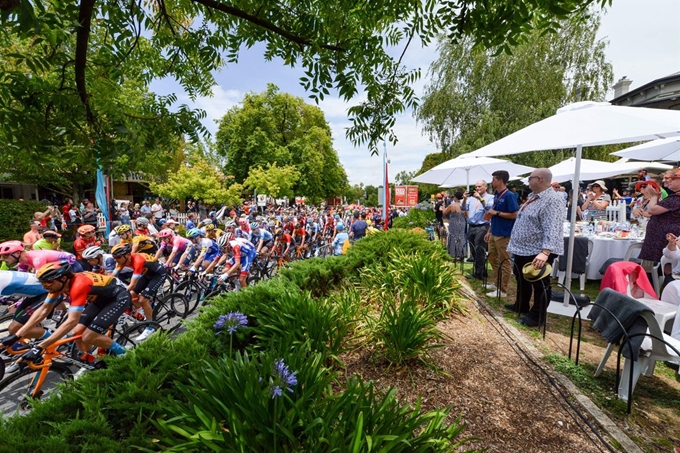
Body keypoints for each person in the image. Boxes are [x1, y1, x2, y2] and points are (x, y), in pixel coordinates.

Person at [1, 262, 130, 361]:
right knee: (77, 333)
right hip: (100, 300)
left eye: (48, 282)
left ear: (63, 279)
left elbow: (72, 321)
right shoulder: (57, 285)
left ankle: (124, 353)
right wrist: (17, 335)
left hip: (118, 297)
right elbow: (43, 310)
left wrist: (41, 346)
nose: (45, 286)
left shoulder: (78, 285)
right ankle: (89, 360)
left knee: (89, 336)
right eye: (42, 283)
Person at [506, 168, 564, 328]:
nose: (528, 181)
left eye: (530, 178)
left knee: (540, 285)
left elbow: (553, 226)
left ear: (539, 179)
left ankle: (537, 317)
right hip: (523, 248)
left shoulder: (552, 199)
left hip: (538, 250)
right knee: (522, 278)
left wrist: (545, 252)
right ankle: (521, 305)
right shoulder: (533, 197)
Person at [484, 171, 519, 298]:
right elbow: (492, 215)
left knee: (504, 261)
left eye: (493, 180)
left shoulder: (509, 195)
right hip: (494, 232)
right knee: (492, 257)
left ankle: (503, 290)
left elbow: (515, 214)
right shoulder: (497, 195)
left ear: (500, 180)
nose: (492, 182)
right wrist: (489, 231)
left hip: (504, 234)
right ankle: (496, 283)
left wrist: (497, 213)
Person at [639, 169, 680, 263]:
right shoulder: (675, 197)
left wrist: (653, 196)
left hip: (664, 239)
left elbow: (652, 210)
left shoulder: (676, 199)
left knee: (662, 267)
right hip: (662, 238)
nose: (668, 181)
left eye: (673, 178)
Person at [463, 180, 494, 281]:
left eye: (480, 186)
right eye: (476, 187)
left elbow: (488, 208)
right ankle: (482, 269)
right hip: (471, 226)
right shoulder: (471, 199)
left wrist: (480, 198)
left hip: (482, 226)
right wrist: (464, 198)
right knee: (473, 250)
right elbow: (463, 207)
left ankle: (478, 273)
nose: (477, 188)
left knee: (480, 249)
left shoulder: (490, 197)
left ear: (485, 187)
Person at [443, 190, 466, 261]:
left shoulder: (452, 205)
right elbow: (467, 215)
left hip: (454, 222)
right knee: (461, 237)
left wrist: (443, 204)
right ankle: (461, 254)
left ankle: (454, 255)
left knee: (453, 238)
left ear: (455, 197)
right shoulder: (464, 205)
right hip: (462, 222)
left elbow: (444, 213)